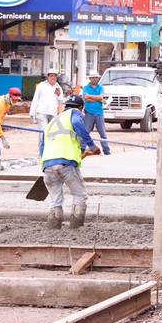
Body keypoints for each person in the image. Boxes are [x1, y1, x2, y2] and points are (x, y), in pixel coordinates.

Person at [41, 95, 100, 230]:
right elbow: (78, 124)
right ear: (81, 108)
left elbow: (42, 146)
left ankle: (53, 227)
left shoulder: (51, 122)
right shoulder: (74, 114)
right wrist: (92, 146)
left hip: (48, 165)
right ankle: (76, 227)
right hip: (65, 164)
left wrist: (83, 154)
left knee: (55, 200)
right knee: (80, 195)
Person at [30, 68, 64, 149]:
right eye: (51, 76)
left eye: (55, 76)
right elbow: (35, 99)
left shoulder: (58, 87)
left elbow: (61, 101)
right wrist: (32, 113)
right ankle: (41, 152)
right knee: (43, 132)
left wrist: (60, 114)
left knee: (52, 133)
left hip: (53, 113)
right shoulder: (41, 85)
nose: (53, 78)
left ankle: (49, 151)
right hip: (42, 112)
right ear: (47, 77)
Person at [82, 71, 111, 155]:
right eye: (93, 77)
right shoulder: (86, 88)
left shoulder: (101, 87)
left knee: (102, 133)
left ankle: (106, 151)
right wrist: (98, 99)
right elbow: (86, 98)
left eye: (96, 77)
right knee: (86, 132)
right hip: (89, 112)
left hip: (99, 112)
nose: (95, 79)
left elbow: (100, 97)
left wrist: (91, 97)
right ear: (90, 78)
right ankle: (82, 149)